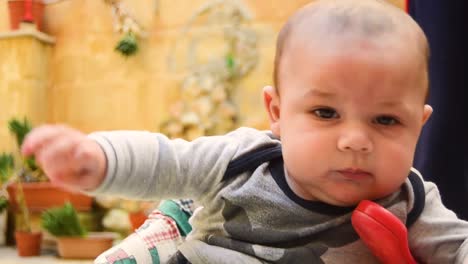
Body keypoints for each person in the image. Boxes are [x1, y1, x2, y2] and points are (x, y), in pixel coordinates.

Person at [21, 0, 468, 263]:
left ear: (420, 125)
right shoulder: (244, 159)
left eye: (386, 120)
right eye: (325, 112)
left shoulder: (413, 201)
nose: (355, 140)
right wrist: (96, 160)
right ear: (276, 111)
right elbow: (167, 160)